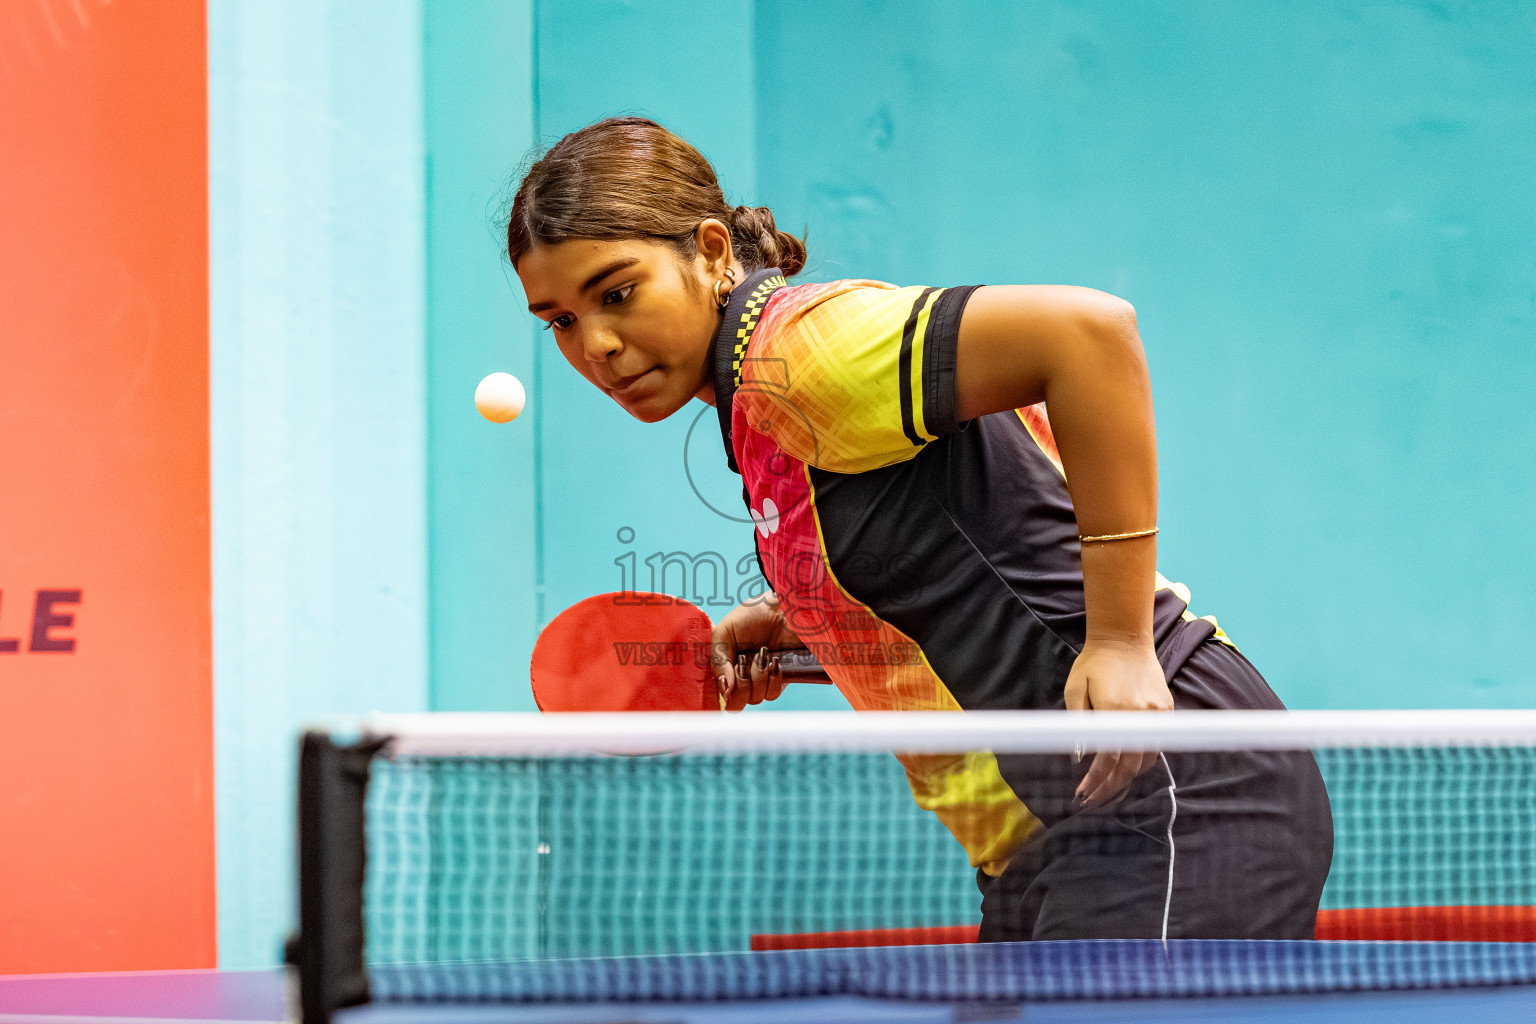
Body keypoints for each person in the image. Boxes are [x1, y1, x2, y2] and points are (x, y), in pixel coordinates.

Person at [506, 116, 1334, 941]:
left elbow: (1089, 335)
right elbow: (974, 568)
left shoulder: (799, 349)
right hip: (1043, 838)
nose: (598, 346)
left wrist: (1120, 641)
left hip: (1169, 785)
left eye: (617, 294)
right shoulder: (756, 419)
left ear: (714, 252)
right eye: (561, 321)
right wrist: (810, 630)